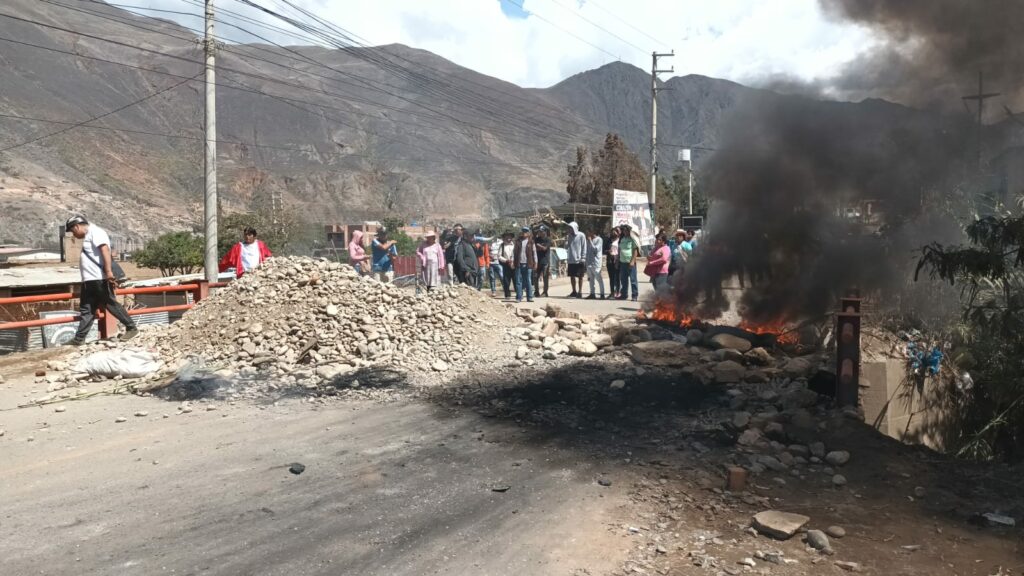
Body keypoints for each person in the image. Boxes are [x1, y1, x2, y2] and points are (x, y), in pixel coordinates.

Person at [64, 215, 138, 345]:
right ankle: (79, 339)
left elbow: (105, 250)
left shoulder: (96, 232)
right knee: (87, 309)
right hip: (89, 280)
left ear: (77, 226)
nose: (73, 235)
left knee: (110, 304)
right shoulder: (89, 235)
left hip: (99, 278)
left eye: (73, 231)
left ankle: (131, 328)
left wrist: (109, 272)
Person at [513, 226, 537, 303]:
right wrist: (512, 261)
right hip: (518, 263)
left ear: (528, 233)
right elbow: (513, 253)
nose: (524, 233)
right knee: (518, 281)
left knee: (528, 280)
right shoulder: (517, 241)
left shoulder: (531, 242)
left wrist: (535, 262)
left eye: (526, 232)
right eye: (523, 231)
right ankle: (519, 297)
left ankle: (529, 297)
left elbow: (534, 253)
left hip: (528, 264)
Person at [617, 224, 639, 301]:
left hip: (630, 262)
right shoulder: (622, 239)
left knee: (633, 280)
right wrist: (618, 260)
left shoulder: (632, 239)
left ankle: (634, 295)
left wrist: (632, 261)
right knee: (623, 280)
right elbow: (619, 250)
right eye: (624, 230)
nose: (625, 232)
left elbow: (635, 251)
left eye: (627, 230)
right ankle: (624, 294)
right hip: (622, 262)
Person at [565, 221, 586, 298]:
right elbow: (566, 247)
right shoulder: (569, 236)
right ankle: (574, 291)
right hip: (571, 259)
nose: (569, 229)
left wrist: (583, 257)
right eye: (569, 228)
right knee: (572, 276)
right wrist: (566, 241)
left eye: (570, 228)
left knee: (580, 276)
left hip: (579, 259)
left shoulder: (581, 235)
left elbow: (584, 246)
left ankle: (580, 292)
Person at [585, 229, 605, 299]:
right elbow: (587, 251)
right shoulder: (588, 240)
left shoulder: (599, 239)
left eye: (589, 232)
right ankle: (592, 293)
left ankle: (602, 294)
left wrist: (590, 241)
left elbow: (595, 250)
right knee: (590, 279)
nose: (588, 234)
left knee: (598, 278)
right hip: (589, 262)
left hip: (596, 262)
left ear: (593, 232)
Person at [533, 226, 551, 298]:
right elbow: (534, 249)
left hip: (545, 261)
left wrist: (538, 245)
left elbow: (544, 248)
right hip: (537, 261)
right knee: (535, 277)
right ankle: (536, 291)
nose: (539, 233)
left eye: (541, 231)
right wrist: (539, 247)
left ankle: (545, 292)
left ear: (545, 232)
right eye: (539, 231)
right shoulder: (536, 239)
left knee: (545, 277)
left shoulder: (548, 240)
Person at [497, 232, 516, 299]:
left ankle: (518, 294)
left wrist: (513, 261)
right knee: (506, 280)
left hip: (514, 264)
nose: (508, 238)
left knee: (516, 280)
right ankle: (507, 294)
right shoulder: (502, 246)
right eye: (507, 236)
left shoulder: (515, 245)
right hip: (506, 265)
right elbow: (499, 256)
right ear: (504, 237)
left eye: (510, 236)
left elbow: (517, 254)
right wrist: (506, 261)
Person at [606, 226, 621, 299]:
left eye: (615, 231)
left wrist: (617, 258)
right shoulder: (609, 240)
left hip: (617, 260)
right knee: (611, 278)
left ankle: (618, 292)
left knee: (617, 277)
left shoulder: (620, 240)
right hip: (609, 260)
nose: (613, 233)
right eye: (612, 231)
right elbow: (604, 250)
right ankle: (612, 292)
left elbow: (621, 251)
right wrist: (608, 251)